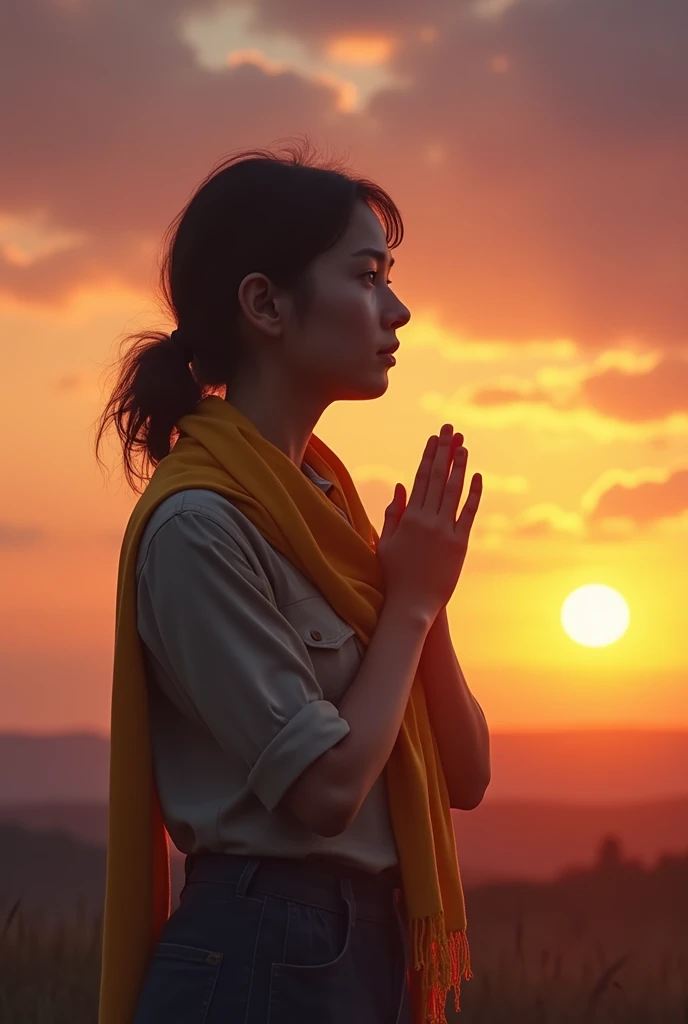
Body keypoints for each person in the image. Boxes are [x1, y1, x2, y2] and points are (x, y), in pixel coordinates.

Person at [94, 137, 484, 1024]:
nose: (399, 309)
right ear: (265, 304)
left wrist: (422, 602)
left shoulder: (331, 513)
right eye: (366, 276)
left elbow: (465, 773)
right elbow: (327, 792)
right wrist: (411, 601)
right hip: (263, 952)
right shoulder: (200, 528)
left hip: (361, 949)